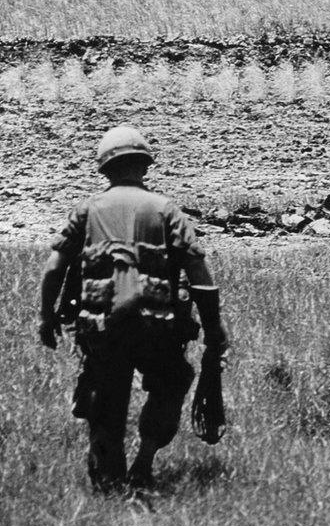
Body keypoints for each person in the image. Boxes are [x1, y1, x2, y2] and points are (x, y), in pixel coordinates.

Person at [38, 125, 229, 494]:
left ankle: (108, 483)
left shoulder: (87, 210)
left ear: (104, 169)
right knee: (170, 384)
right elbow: (200, 277)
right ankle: (143, 462)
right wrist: (214, 328)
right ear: (144, 166)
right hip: (156, 326)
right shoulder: (166, 210)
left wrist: (46, 316)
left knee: (104, 398)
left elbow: (53, 268)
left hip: (102, 326)